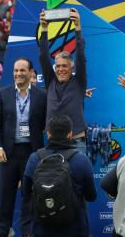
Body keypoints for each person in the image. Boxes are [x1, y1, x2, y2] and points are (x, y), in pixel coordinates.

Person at [0, 58, 47, 237]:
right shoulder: (3, 94)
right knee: (5, 194)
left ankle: (27, 231)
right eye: (15, 70)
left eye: (22, 70)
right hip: (8, 152)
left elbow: (47, 122)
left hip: (32, 152)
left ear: (31, 73)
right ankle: (2, 230)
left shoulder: (41, 95)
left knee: (29, 194)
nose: (18, 74)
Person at [21, 114, 97, 237]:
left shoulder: (34, 159)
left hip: (42, 230)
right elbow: (91, 196)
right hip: (75, 230)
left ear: (48, 134)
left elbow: (25, 193)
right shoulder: (82, 160)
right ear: (70, 134)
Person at [39, 8, 88, 153]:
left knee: (78, 176)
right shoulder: (50, 81)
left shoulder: (79, 81)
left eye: (64, 66)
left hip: (76, 141)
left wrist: (77, 27)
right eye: (58, 66)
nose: (61, 69)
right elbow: (43, 57)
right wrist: (44, 29)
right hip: (53, 142)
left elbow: (80, 55)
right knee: (55, 176)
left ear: (71, 66)